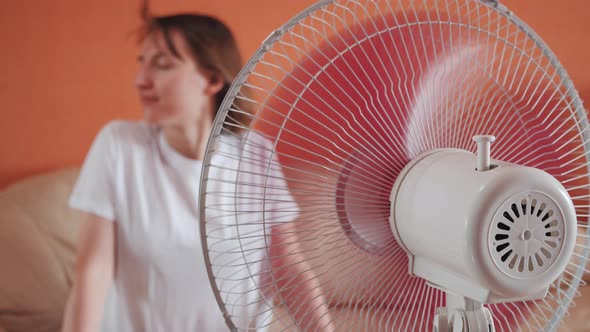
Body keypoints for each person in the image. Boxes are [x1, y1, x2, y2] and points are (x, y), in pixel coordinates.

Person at [61, 9, 334, 332]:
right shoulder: (119, 145)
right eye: (142, 62)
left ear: (213, 79)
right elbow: (95, 266)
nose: (140, 79)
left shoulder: (256, 153)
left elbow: (288, 266)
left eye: (161, 64)